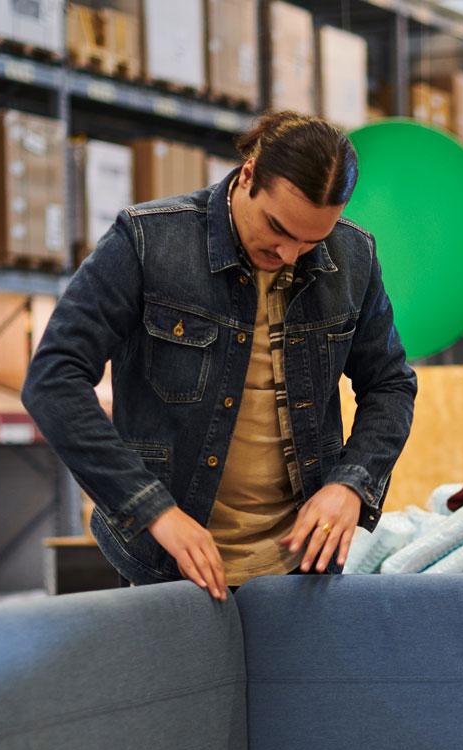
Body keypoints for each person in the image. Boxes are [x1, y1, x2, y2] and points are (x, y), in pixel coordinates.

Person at [23, 112, 416, 599]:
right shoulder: (148, 242)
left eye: (311, 241)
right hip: (166, 568)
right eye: (277, 227)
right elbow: (53, 380)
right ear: (248, 174)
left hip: (304, 573)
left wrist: (352, 484)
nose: (289, 254)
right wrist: (153, 510)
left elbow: (391, 385)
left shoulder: (354, 257)